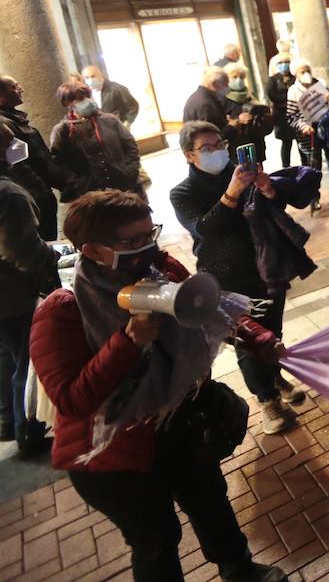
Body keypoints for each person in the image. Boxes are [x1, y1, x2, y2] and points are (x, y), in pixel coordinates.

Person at [29, 190, 287, 582]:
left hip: (177, 425)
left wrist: (259, 339)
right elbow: (72, 400)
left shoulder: (159, 270)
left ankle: (239, 568)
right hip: (115, 453)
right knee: (156, 538)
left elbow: (214, 309)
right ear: (94, 251)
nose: (146, 247)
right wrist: (128, 342)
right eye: (131, 242)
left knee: (210, 500)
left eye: (150, 234)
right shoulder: (62, 311)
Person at [169, 122, 312, 434]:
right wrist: (231, 193)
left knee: (271, 329)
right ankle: (267, 400)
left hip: (266, 265)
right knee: (246, 340)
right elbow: (203, 229)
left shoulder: (242, 172)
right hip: (225, 274)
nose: (217, 151)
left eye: (219, 144)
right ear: (189, 156)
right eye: (206, 149)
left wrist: (268, 188)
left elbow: (274, 207)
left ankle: (274, 378)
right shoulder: (183, 192)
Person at [0, 119, 58, 455]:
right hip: (12, 295)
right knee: (28, 359)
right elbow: (23, 250)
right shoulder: (8, 193)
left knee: (7, 356)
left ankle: (9, 420)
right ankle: (28, 432)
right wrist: (52, 255)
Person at [50, 81, 141, 201]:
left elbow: (130, 146)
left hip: (124, 187)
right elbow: (58, 162)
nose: (86, 100)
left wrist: (129, 171)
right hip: (91, 194)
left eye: (87, 96)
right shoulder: (62, 131)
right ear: (68, 103)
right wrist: (77, 184)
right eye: (80, 99)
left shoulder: (110, 120)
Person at [0, 74, 67, 239]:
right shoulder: (5, 125)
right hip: (36, 194)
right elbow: (18, 163)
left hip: (39, 191)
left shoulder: (13, 118)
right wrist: (42, 193)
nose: (20, 89)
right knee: (45, 237)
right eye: (14, 87)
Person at [287, 62, 329, 202]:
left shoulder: (320, 84)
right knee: (314, 166)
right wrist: (303, 126)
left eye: (307, 70)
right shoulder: (293, 91)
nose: (306, 74)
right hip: (310, 132)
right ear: (295, 74)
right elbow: (291, 116)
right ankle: (314, 197)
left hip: (327, 128)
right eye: (302, 72)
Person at [183, 66, 252, 147]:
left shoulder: (201, 97)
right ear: (214, 84)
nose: (227, 88)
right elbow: (211, 136)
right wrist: (232, 126)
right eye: (225, 85)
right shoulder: (206, 104)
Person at [221, 63, 272, 162]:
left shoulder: (250, 95)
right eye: (234, 77)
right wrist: (237, 120)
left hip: (256, 143)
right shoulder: (222, 99)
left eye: (241, 77)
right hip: (237, 147)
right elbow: (222, 126)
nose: (238, 80)